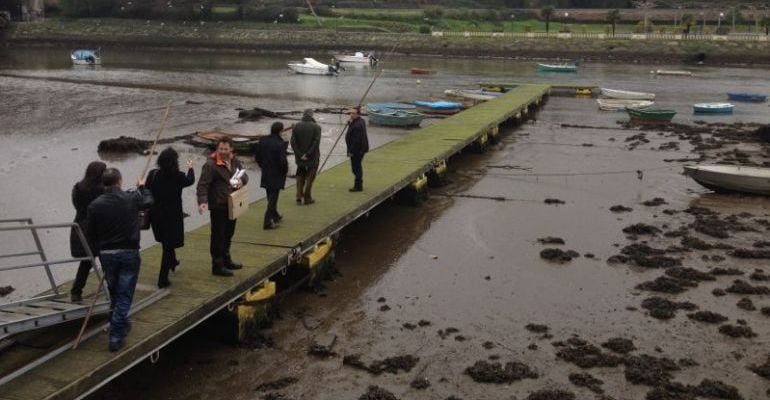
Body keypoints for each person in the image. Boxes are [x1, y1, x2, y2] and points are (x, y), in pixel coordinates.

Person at [86, 168, 152, 352]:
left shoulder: (95, 205)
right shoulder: (131, 198)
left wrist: (98, 248)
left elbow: (89, 233)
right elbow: (148, 202)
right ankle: (116, 335)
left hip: (107, 254)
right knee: (124, 295)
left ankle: (120, 323)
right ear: (120, 181)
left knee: (115, 292)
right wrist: (143, 187)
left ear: (103, 183)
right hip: (129, 252)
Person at [197, 137, 249, 276]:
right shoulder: (210, 165)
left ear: (231, 149)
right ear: (217, 149)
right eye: (221, 149)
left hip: (233, 204)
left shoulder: (235, 161)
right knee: (218, 236)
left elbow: (245, 175)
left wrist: (241, 182)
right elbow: (202, 185)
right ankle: (217, 266)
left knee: (228, 234)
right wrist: (202, 202)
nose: (223, 151)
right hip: (218, 205)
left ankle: (227, 260)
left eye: (226, 149)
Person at [147, 147, 195, 288]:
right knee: (168, 246)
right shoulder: (178, 176)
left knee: (166, 242)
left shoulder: (153, 174)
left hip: (156, 215)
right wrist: (191, 168)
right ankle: (163, 279)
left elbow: (146, 189)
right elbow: (190, 181)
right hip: (172, 216)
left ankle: (173, 262)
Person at [69, 161, 106, 302]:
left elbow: (77, 205)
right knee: (105, 260)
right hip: (96, 228)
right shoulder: (102, 190)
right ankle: (112, 289)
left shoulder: (78, 187)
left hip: (79, 226)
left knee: (86, 262)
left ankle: (76, 291)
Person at [256, 122, 289, 230]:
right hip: (277, 173)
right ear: (280, 131)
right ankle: (267, 222)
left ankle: (275, 216)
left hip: (266, 172)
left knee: (270, 195)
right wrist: (285, 171)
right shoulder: (280, 144)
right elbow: (282, 161)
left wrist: (263, 166)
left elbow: (257, 157)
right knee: (273, 198)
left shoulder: (263, 141)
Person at [290, 109, 321, 205]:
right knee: (310, 178)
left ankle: (299, 196)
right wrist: (308, 154)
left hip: (300, 158)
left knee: (300, 175)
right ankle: (307, 198)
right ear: (312, 116)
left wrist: (300, 154)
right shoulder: (317, 127)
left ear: (303, 115)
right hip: (312, 157)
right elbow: (316, 143)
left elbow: (293, 142)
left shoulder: (296, 126)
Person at [344, 106, 369, 192]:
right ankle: (358, 184)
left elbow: (356, 141)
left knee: (356, 168)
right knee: (356, 167)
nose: (351, 115)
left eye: (353, 113)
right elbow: (352, 128)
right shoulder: (360, 120)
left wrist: (351, 151)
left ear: (358, 114)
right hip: (361, 148)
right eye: (350, 113)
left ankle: (358, 186)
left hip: (357, 150)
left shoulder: (358, 125)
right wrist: (350, 123)